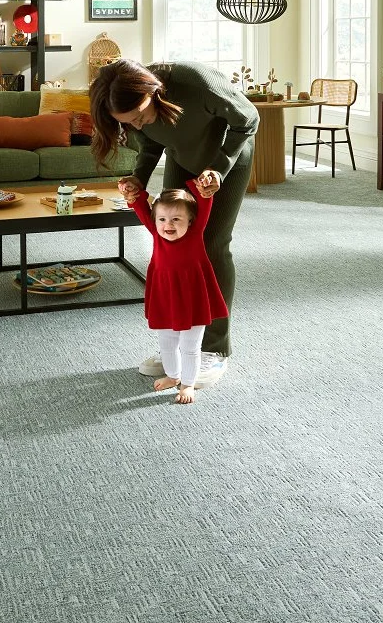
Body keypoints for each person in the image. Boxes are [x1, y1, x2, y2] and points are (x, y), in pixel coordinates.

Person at [90, 59, 258, 388]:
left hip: (226, 162)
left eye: (139, 116)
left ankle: (213, 349)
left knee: (211, 246)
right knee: (172, 246)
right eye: (129, 123)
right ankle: (183, 346)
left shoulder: (196, 83)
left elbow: (248, 119)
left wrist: (219, 168)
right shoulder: (133, 109)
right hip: (182, 159)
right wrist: (139, 177)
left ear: (153, 91)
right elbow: (153, 141)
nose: (137, 124)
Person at [127, 181, 228, 403]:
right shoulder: (156, 233)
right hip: (165, 297)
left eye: (176, 219)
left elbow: (205, 202)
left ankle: (188, 383)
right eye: (162, 219)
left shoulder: (195, 232)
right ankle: (173, 376)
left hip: (193, 299)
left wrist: (204, 189)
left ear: (190, 221)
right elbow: (139, 205)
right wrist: (131, 193)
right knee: (167, 344)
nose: (168, 225)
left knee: (190, 347)